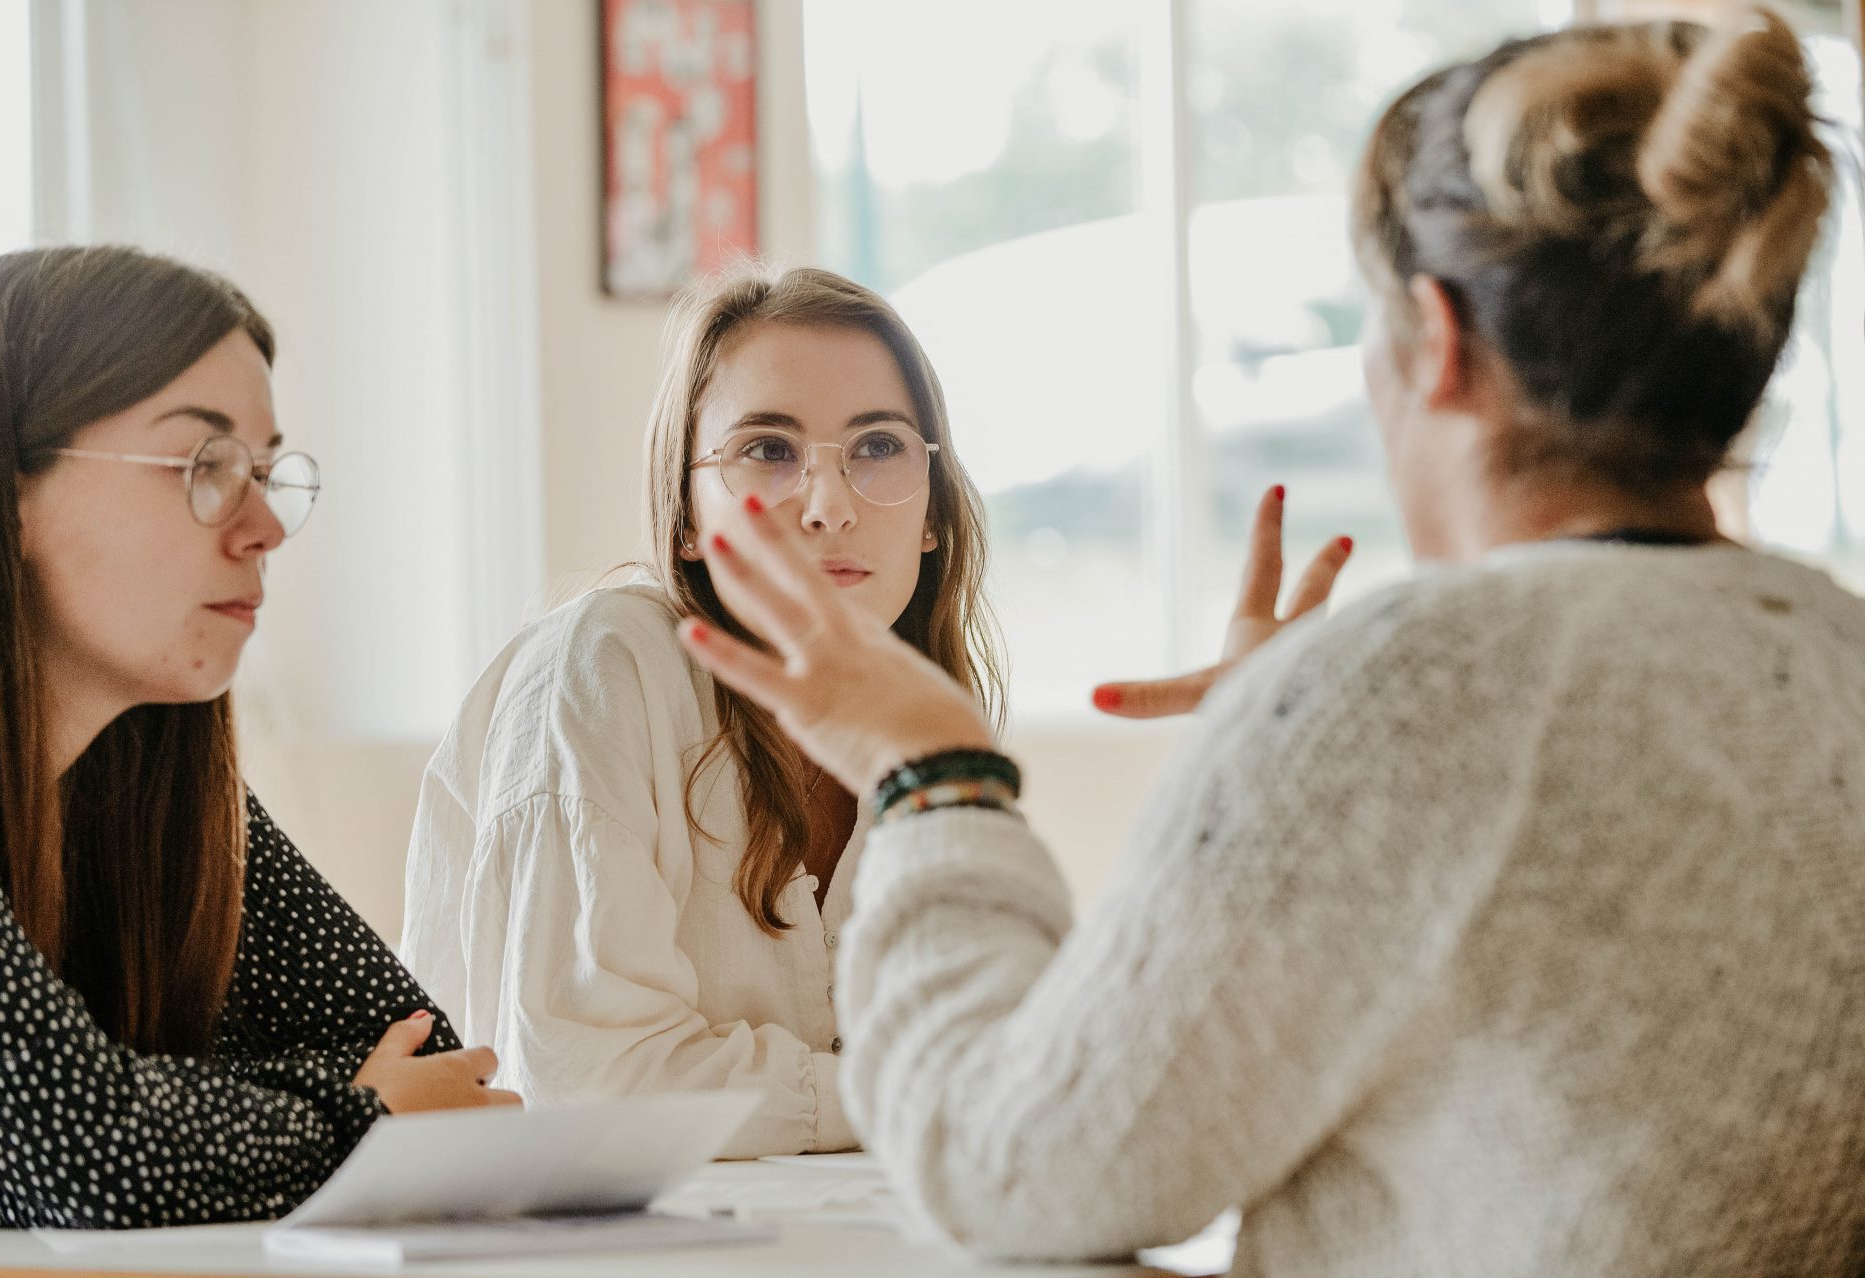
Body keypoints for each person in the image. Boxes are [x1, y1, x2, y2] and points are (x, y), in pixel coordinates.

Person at [676, 9, 1865, 1273]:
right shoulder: (1841, 656)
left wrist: (934, 774)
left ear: (1436, 341)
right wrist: (1278, 750)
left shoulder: (1407, 693)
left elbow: (1011, 1167)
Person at [0, 245, 517, 1231]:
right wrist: (357, 1114)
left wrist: (162, 1101)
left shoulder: (141, 774)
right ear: (6, 484)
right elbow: (88, 1156)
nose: (265, 528)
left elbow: (432, 1061)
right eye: (204, 465)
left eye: (263, 471)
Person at [401, 265, 1002, 1157]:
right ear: (685, 513)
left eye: (877, 447)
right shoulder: (602, 666)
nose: (829, 506)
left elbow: (993, 1050)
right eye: (768, 450)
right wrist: (910, 1094)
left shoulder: (928, 723)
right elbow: (593, 1082)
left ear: (930, 511)